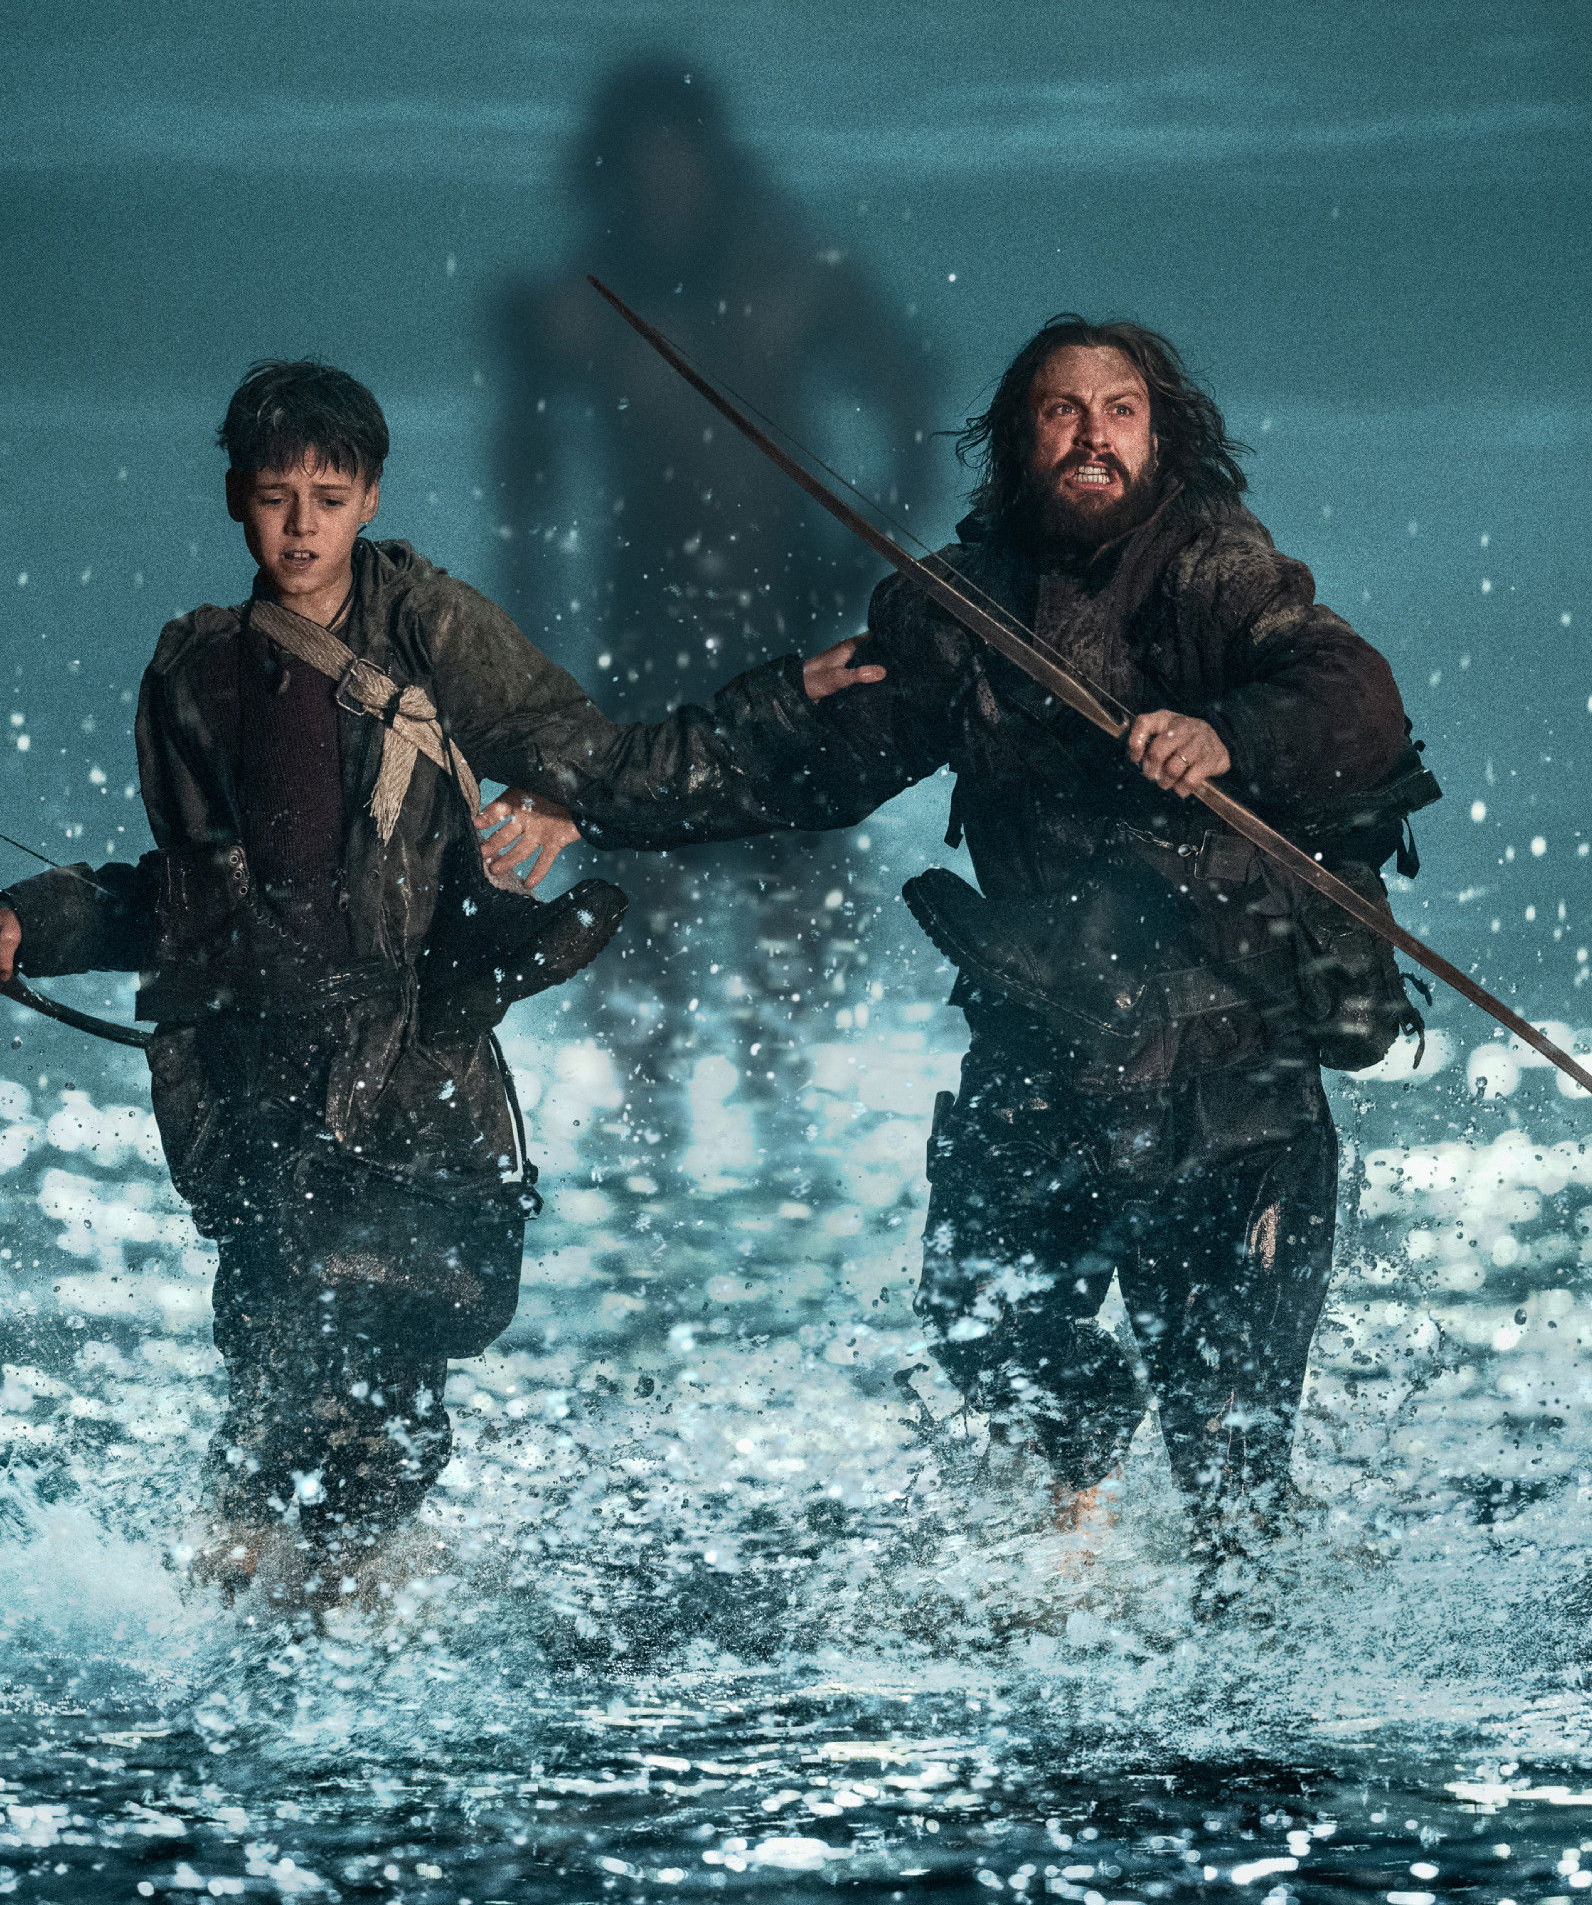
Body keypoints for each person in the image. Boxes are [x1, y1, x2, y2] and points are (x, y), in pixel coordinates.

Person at [567, 317, 1437, 1596]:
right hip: (1041, 1062)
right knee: (990, 1335)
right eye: (1061, 411)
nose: (1093, 436)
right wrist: (586, 797)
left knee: (1234, 1482)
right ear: (1019, 439)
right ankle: (1077, 1516)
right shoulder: (954, 612)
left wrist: (1228, 733)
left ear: (1162, 436)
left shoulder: (1218, 572)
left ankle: (1274, 1677)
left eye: (1120, 410)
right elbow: (807, 770)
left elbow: (1353, 694)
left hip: (1232, 1081)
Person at [0, 359, 662, 1613]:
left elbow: (584, 746)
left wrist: (555, 798)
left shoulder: (425, 624)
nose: (302, 526)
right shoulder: (196, 674)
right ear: (236, 499)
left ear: (371, 498)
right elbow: (183, 894)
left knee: (393, 1362)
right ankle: (255, 1623)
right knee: (270, 1371)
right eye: (276, 498)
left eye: (329, 497)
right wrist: (25, 926)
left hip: (414, 1064)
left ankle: (357, 1614)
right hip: (258, 1074)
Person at [491, 56, 938, 1171]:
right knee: (642, 880)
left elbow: (911, 401)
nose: (663, 192)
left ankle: (788, 1133)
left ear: (712, 165)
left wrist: (862, 562)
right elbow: (526, 489)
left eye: (677, 166)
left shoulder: (793, 282)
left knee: (797, 881)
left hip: (784, 609)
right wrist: (521, 654)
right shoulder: (580, 304)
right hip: (645, 624)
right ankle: (648, 1148)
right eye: (642, 171)